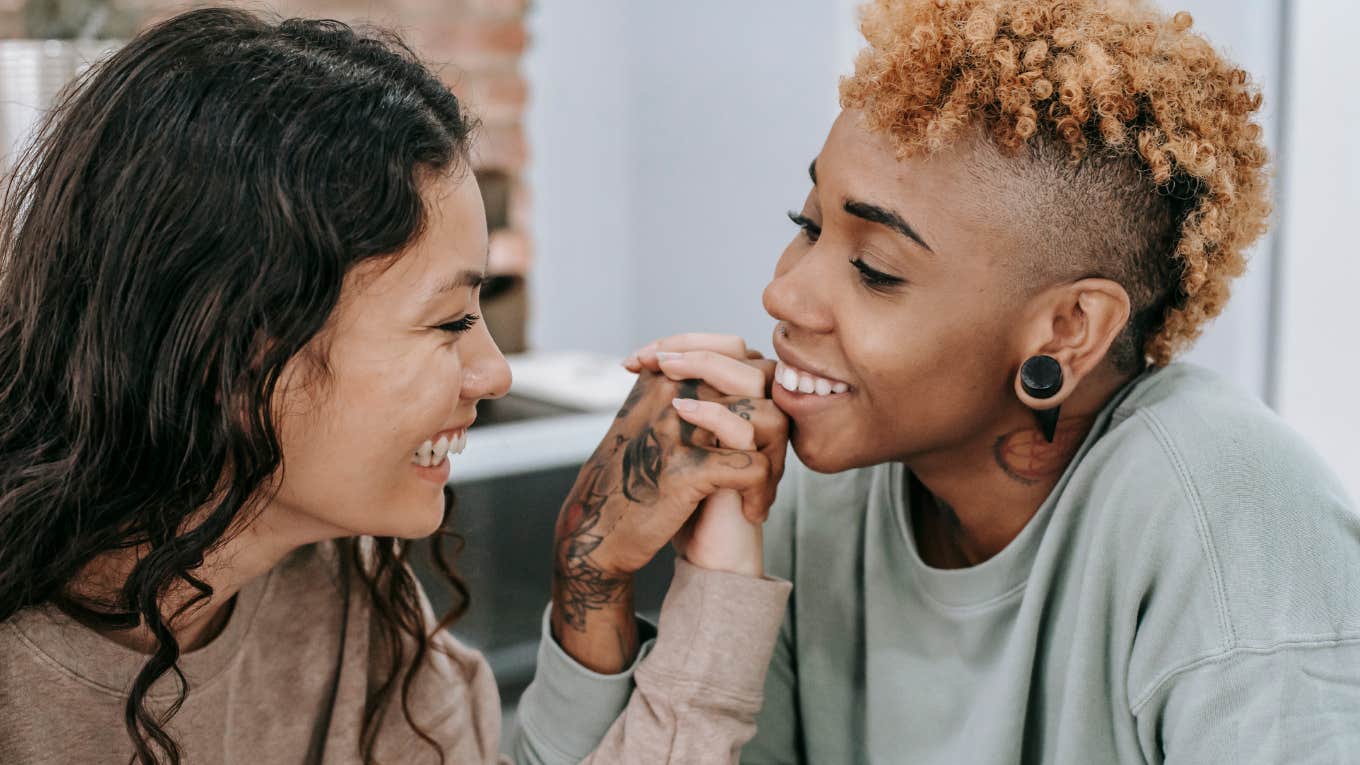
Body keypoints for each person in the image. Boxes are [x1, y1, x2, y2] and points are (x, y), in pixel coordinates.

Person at [514, 0, 1360, 762]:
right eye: (805, 225)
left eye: (877, 269)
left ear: (1067, 330)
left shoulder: (1231, 519)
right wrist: (590, 575)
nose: (783, 293)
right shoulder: (816, 498)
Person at [0, 8, 792, 764]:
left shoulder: (354, 598)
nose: (496, 373)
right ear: (235, 356)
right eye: (449, 322)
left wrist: (605, 570)